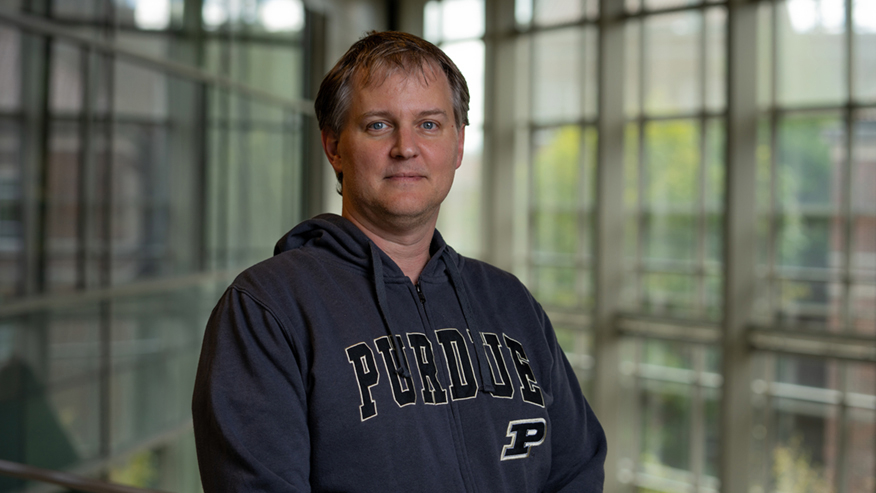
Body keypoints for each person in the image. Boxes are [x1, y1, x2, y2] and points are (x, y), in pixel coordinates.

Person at [192, 31, 606, 492]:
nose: (405, 147)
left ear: (458, 144)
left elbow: (576, 469)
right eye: (378, 125)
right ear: (334, 147)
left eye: (429, 124)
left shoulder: (510, 302)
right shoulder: (268, 309)